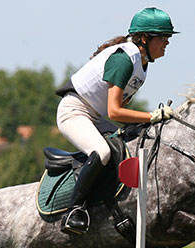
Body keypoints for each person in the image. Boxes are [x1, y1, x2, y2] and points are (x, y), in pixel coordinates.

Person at [55, 7, 179, 235]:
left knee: (133, 145)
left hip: (94, 116)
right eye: (163, 38)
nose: (167, 43)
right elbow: (115, 111)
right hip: (74, 111)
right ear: (144, 38)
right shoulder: (124, 59)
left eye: (168, 38)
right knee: (102, 152)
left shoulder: (142, 64)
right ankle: (74, 211)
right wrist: (151, 116)